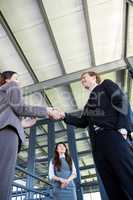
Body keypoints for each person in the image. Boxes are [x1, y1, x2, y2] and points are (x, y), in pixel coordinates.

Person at [49, 71, 133, 200]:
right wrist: (64, 115)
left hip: (113, 136)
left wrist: (124, 128)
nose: (82, 80)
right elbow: (82, 122)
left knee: (127, 174)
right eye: (81, 79)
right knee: (110, 183)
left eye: (84, 77)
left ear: (94, 77)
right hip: (97, 145)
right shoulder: (88, 104)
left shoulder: (106, 85)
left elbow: (121, 101)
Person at [0, 71, 59, 200]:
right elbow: (21, 108)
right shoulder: (12, 86)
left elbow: (7, 115)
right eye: (16, 78)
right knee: (4, 177)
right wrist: (46, 110)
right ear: (7, 80)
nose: (19, 82)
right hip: (8, 134)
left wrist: (23, 123)